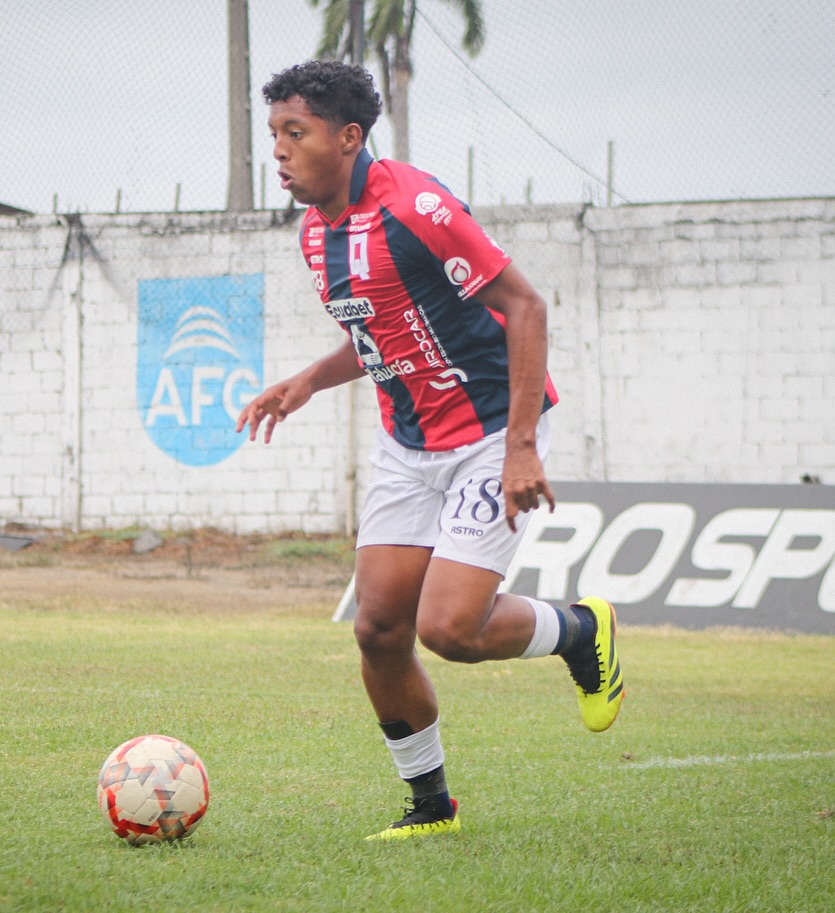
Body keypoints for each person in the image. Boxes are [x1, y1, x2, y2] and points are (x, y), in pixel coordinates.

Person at [236, 59, 624, 841]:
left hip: (488, 436)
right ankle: (430, 806)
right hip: (408, 442)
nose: (278, 149)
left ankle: (582, 631)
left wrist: (520, 447)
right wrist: (310, 378)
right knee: (379, 627)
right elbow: (382, 333)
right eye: (273, 132)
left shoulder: (416, 205)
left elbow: (525, 307)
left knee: (450, 629)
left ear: (348, 138)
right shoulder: (317, 232)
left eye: (294, 132)